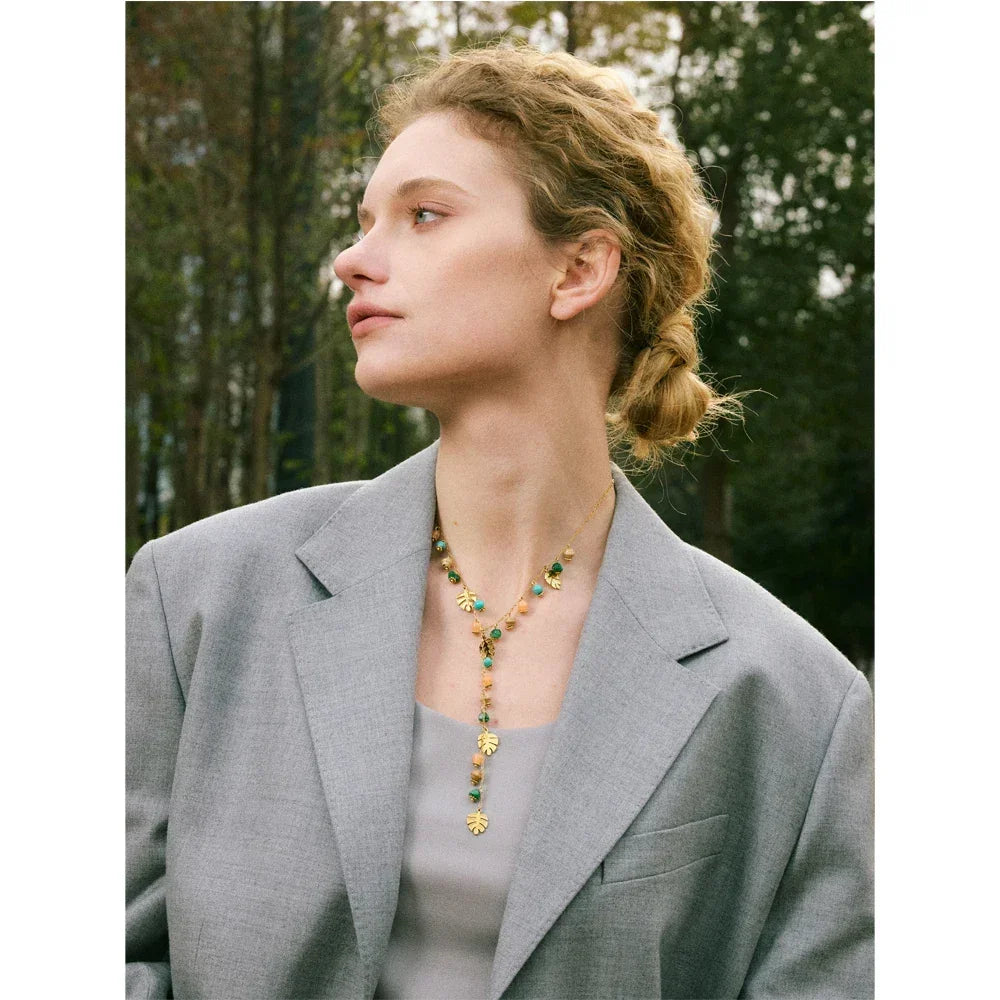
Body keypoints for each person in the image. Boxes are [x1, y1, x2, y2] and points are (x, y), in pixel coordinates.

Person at [126, 42, 873, 1000]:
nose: (353, 259)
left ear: (579, 269)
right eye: (364, 222)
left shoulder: (794, 700)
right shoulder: (194, 602)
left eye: (423, 215)